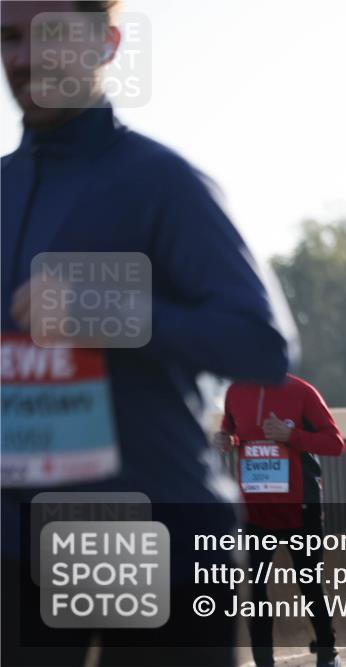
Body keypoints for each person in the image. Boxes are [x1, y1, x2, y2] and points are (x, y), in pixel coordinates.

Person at [1, 2, 296, 665]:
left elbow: (263, 344)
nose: (22, 58)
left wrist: (108, 311)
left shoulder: (162, 182)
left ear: (106, 43)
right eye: (8, 38)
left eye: (47, 35)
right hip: (18, 544)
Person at [214, 375, 345, 667]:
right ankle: (264, 661)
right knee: (254, 588)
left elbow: (335, 444)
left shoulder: (302, 391)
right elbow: (233, 432)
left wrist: (291, 436)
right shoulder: (235, 391)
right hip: (254, 509)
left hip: (300, 507)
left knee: (309, 583)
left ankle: (328, 653)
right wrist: (225, 440)